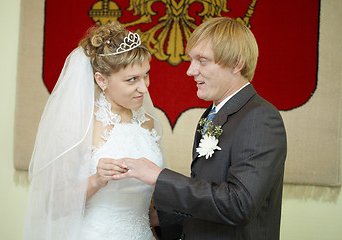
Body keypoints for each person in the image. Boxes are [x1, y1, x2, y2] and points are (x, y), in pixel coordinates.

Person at [113, 17, 287, 240]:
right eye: (191, 60)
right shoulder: (211, 115)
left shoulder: (260, 117)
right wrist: (163, 219)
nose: (190, 71)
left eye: (202, 61)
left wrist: (160, 178)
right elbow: (209, 199)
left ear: (236, 63)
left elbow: (239, 205)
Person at [22, 21, 164, 240]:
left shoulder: (148, 122)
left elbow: (147, 202)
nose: (144, 87)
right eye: (131, 80)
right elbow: (52, 206)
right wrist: (96, 180)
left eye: (146, 75)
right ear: (101, 80)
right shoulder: (79, 126)